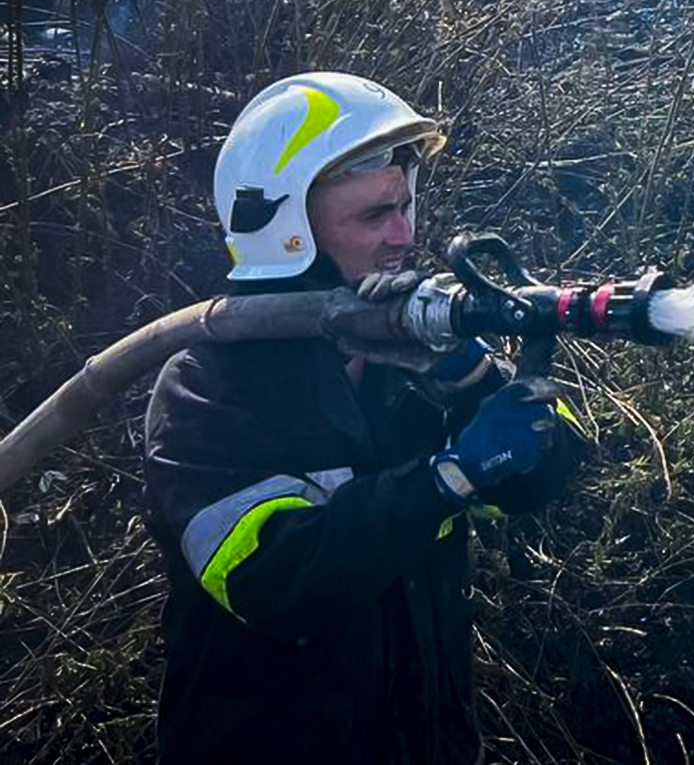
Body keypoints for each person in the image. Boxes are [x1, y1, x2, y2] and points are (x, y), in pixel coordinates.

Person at [143, 71, 583, 765]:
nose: (405, 236)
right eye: (375, 214)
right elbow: (275, 580)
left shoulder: (403, 359)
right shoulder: (205, 387)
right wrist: (447, 478)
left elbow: (542, 477)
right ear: (288, 229)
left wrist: (472, 378)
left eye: (407, 206)